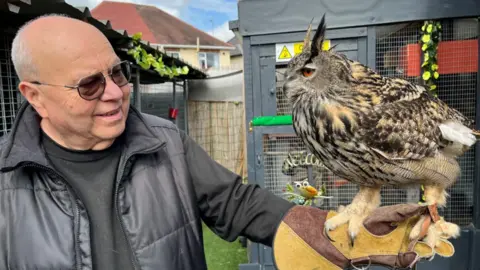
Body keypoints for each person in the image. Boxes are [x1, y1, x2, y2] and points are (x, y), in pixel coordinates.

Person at [1, 14, 453, 270]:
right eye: (89, 85)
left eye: (118, 73)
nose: (116, 93)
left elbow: (238, 203)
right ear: (34, 96)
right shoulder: (5, 181)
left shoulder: (163, 143)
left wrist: (333, 230)